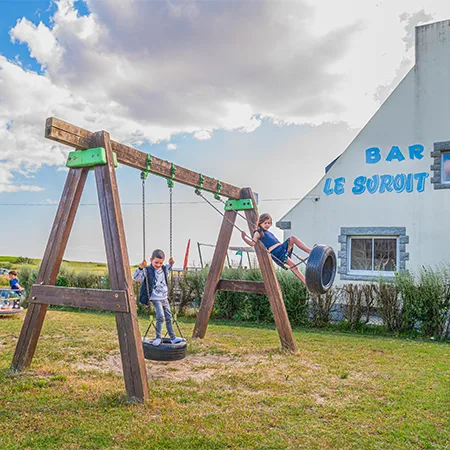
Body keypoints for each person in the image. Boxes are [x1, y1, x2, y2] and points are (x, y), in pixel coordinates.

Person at [241, 213, 313, 285]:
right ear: (260, 223)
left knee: (293, 239)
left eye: (269, 223)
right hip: (277, 253)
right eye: (265, 223)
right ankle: (306, 282)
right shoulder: (258, 232)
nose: (267, 225)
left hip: (282, 248)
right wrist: (244, 237)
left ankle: (310, 251)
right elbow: (252, 243)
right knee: (294, 267)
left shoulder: (268, 232)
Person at [133, 249, 185, 346]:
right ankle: (158, 337)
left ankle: (173, 338)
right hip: (155, 298)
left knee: (169, 317)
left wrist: (171, 263)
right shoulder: (147, 270)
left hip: (164, 298)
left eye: (160, 263)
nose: (158, 265)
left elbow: (169, 268)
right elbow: (137, 278)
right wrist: (141, 267)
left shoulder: (164, 269)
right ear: (151, 260)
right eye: (156, 262)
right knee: (160, 317)